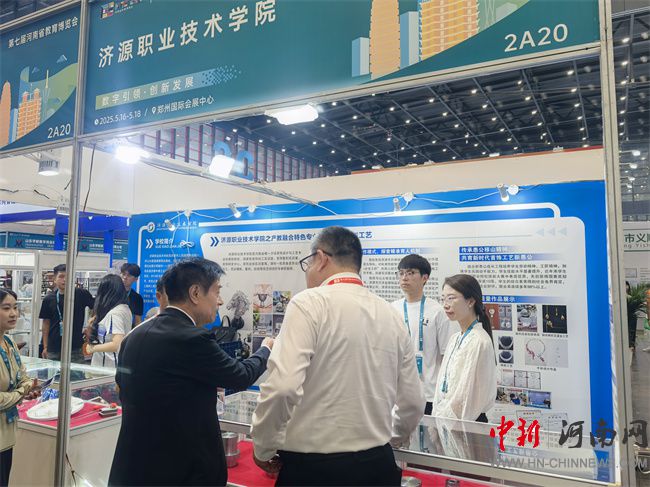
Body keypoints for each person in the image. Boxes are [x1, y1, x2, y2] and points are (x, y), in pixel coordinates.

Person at [251, 226, 424, 486]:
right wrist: (390, 439)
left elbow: (283, 387)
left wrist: (263, 447)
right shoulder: (391, 314)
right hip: (378, 466)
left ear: (321, 259)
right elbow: (413, 402)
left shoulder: (308, 303)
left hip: (314, 470)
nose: (307, 271)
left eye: (308, 263)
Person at [109, 258, 273, 486]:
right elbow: (240, 375)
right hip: (180, 472)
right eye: (217, 292)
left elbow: (123, 388)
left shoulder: (134, 336)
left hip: (133, 468)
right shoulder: (192, 338)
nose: (220, 301)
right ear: (195, 293)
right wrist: (265, 349)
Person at [391, 254, 458, 415]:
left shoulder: (437, 311)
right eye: (401, 273)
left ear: (424, 278)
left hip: (429, 394)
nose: (404, 278)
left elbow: (447, 356)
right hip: (398, 394)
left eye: (411, 273)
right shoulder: (391, 309)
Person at [432, 274, 497, 422]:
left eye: (451, 298)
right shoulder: (455, 338)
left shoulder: (479, 341)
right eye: (443, 299)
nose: (445, 305)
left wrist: (443, 419)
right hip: (449, 419)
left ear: (471, 301)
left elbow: (466, 396)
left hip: (467, 422)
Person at [0, 289, 33, 486]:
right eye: (6, 308)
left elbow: (23, 376)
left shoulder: (9, 341)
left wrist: (28, 387)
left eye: (15, 307)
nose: (13, 313)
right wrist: (22, 393)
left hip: (7, 435)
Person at [38, 264, 94, 362]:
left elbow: (96, 308)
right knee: (53, 372)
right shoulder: (49, 299)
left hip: (75, 347)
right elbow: (46, 323)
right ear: (55, 279)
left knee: (76, 372)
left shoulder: (81, 294)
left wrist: (90, 326)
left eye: (68, 276)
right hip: (54, 348)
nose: (64, 280)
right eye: (61, 276)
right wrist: (45, 346)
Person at [85, 274, 132, 369]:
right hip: (112, 365)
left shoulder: (114, 313)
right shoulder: (124, 308)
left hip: (108, 367)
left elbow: (116, 344)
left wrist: (93, 348)